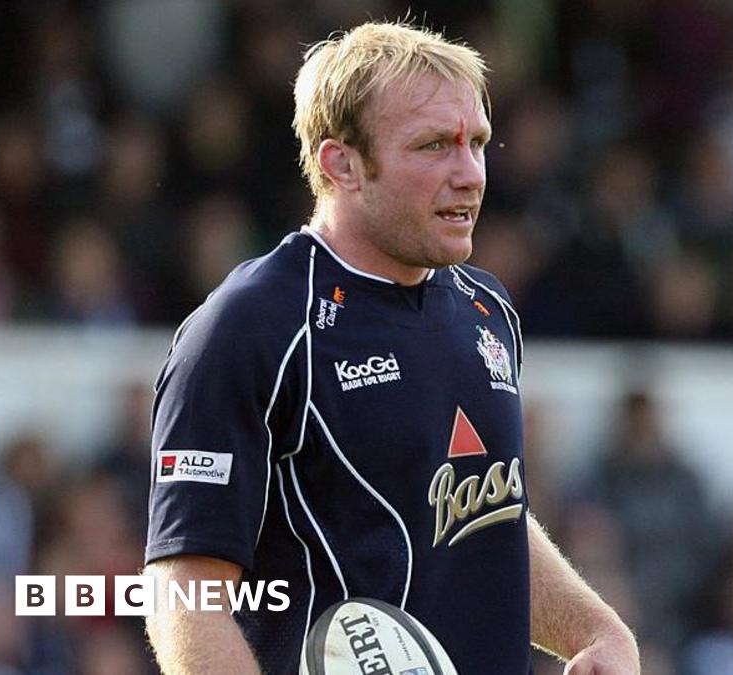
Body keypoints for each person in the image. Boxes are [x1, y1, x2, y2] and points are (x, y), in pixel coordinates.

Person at [143, 20, 640, 675]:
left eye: (478, 143)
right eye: (434, 145)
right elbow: (184, 591)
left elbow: (484, 520)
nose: (469, 174)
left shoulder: (486, 308)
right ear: (340, 163)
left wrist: (599, 631)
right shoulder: (251, 326)